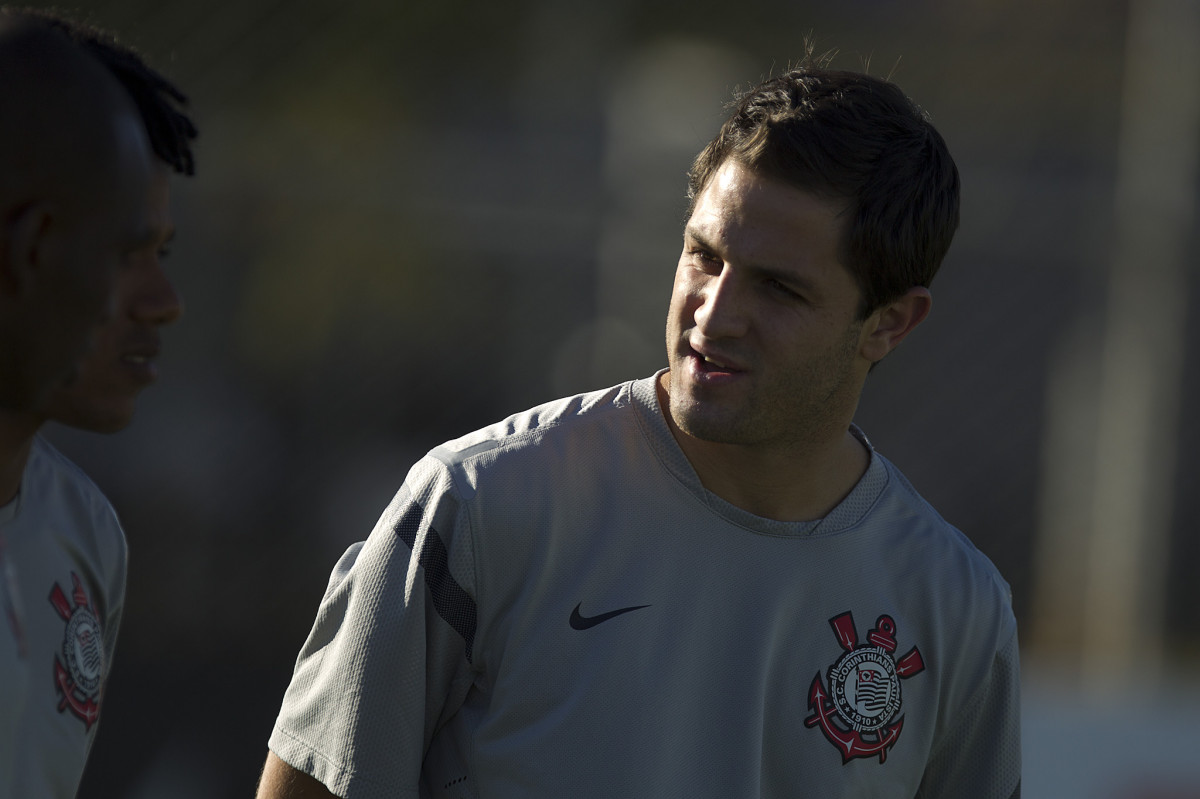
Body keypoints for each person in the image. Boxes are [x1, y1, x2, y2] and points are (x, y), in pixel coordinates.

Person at [258, 56, 1020, 799]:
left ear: (889, 323)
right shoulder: (483, 504)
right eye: (705, 256)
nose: (714, 314)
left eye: (780, 289)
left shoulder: (954, 606)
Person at [0, 9, 196, 798]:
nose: (164, 302)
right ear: (31, 246)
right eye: (123, 252)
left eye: (163, 254)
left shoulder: (83, 538)